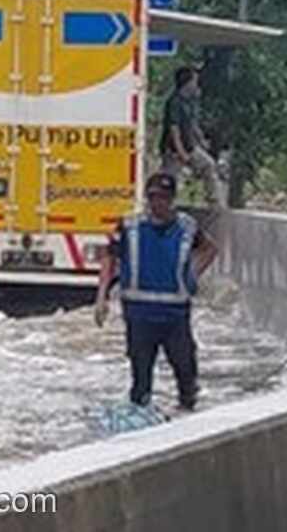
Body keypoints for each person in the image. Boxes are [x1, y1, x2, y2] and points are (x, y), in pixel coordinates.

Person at [93, 172, 218, 411]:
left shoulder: (188, 227)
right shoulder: (130, 226)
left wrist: (192, 274)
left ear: (172, 199)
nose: (157, 203)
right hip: (139, 315)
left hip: (175, 316)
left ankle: (187, 413)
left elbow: (210, 249)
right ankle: (141, 421)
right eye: (153, 197)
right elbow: (109, 257)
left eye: (163, 198)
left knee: (186, 373)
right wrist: (102, 297)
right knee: (141, 379)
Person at [160, 66, 224, 208]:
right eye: (194, 81)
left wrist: (202, 142)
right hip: (174, 150)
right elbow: (174, 129)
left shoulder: (190, 102)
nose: (197, 84)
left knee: (208, 165)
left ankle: (215, 203)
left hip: (190, 146)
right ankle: (163, 206)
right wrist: (181, 152)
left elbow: (193, 125)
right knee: (170, 180)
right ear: (186, 83)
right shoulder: (174, 102)